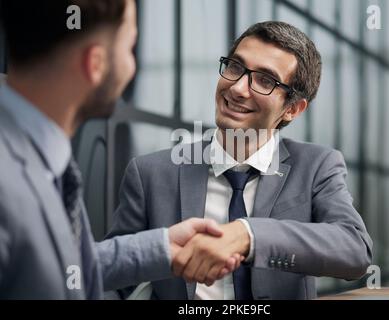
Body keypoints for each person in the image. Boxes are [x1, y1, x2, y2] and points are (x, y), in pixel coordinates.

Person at [107, 21, 373, 300]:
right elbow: (113, 278)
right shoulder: (150, 173)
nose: (238, 88)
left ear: (292, 109)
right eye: (235, 67)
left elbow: (355, 251)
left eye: (265, 80)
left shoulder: (317, 166)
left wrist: (249, 235)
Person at [0, 0, 240, 300]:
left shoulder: (39, 155)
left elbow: (57, 269)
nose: (132, 67)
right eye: (130, 48)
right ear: (95, 64)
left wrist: (161, 248)